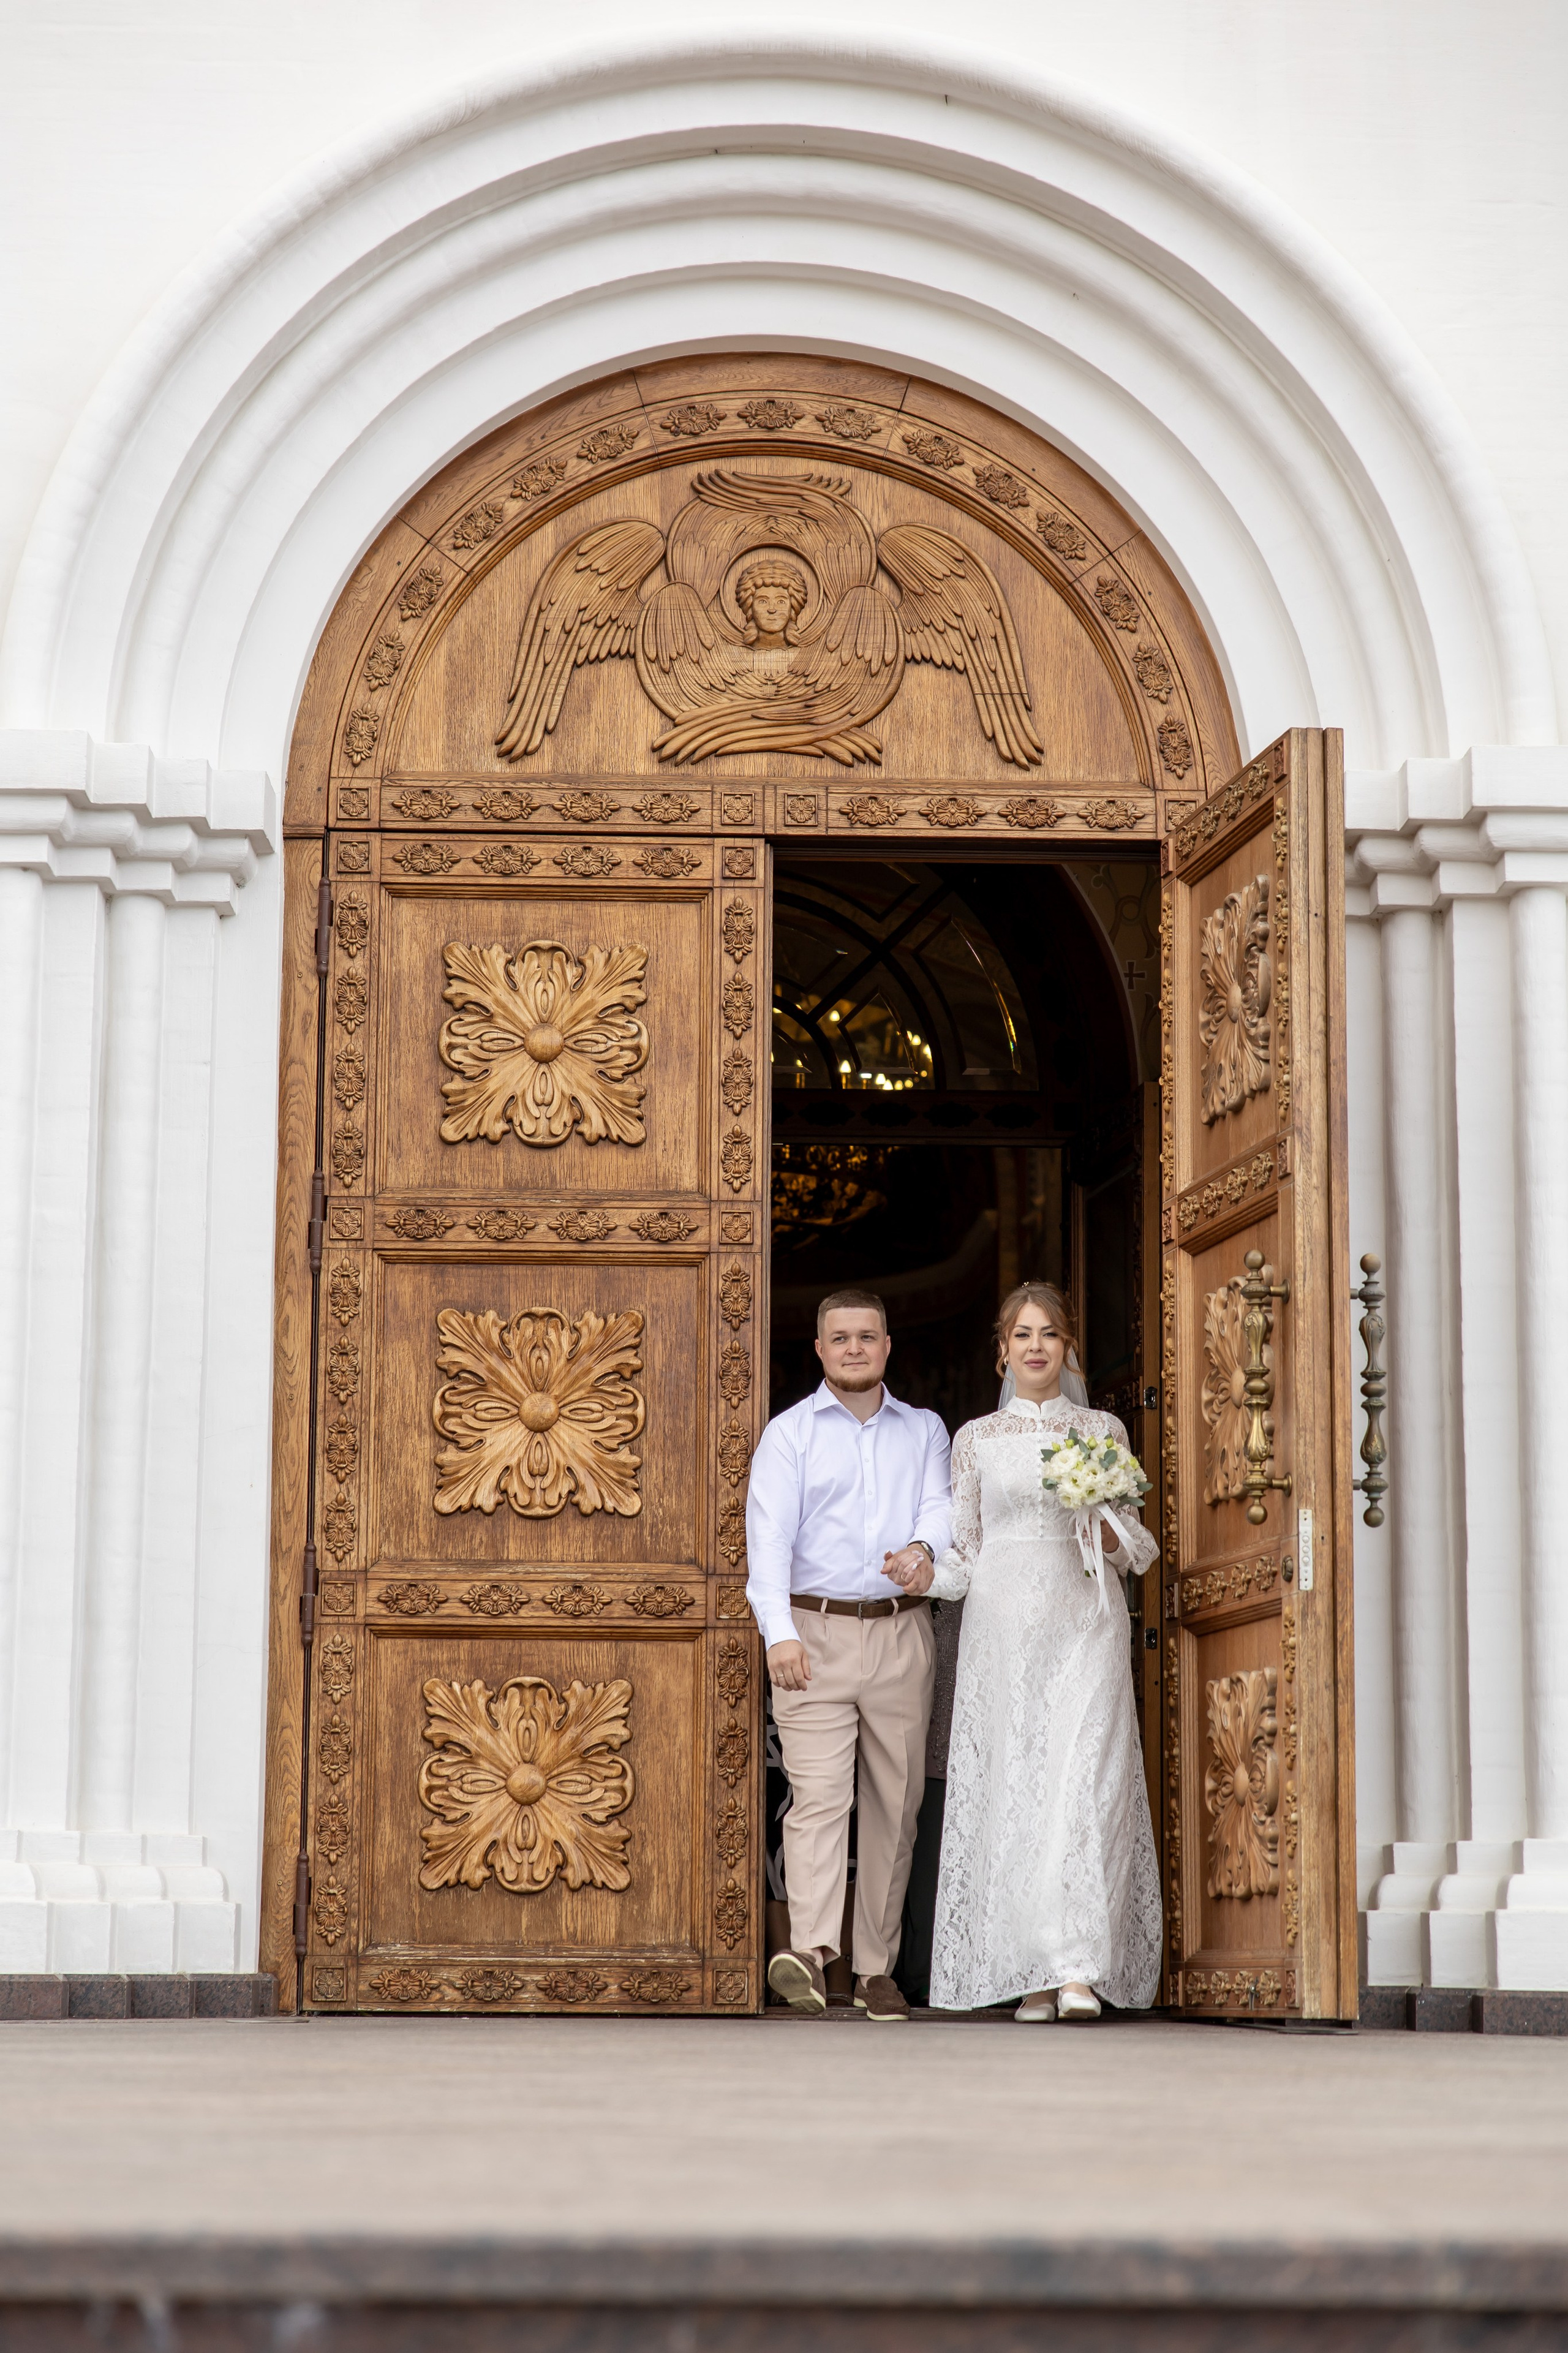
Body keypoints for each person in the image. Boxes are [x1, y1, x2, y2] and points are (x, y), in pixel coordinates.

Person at [892, 1282, 1161, 2023]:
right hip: (1003, 1630)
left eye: (1049, 1333)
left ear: (1067, 1346)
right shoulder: (977, 1438)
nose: (1036, 1346)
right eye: (1022, 1334)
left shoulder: (1103, 1430)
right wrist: (924, 1572)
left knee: (1084, 1783)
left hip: (1083, 1623)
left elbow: (1134, 1547)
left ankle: (1076, 1966)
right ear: (1002, 1349)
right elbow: (967, 1554)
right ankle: (1031, 1972)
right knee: (1017, 1790)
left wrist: (1100, 1517)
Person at [745, 1291, 952, 2021]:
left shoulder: (924, 1429)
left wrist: (925, 1550)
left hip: (900, 1631)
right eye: (841, 1338)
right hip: (814, 1632)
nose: (855, 1348)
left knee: (896, 1807)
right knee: (819, 1800)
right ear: (820, 1350)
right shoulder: (789, 1435)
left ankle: (874, 1971)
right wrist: (780, 1634)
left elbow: (939, 1505)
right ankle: (809, 1952)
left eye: (867, 1336)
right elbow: (767, 1541)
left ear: (888, 1346)